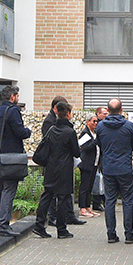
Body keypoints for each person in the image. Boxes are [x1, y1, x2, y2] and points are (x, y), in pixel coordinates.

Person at [33, 100, 81, 239]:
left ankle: (39, 225)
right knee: (63, 199)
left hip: (51, 167)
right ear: (68, 114)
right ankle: (61, 229)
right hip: (64, 169)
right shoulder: (70, 132)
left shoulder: (52, 130)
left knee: (47, 196)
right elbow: (76, 152)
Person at [0, 85, 31, 237]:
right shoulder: (13, 111)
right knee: (9, 189)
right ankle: (3, 224)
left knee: (0, 188)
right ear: (12, 97)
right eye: (17, 96)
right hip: (11, 158)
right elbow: (20, 132)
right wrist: (28, 131)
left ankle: (0, 221)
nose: (18, 98)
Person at [95, 99, 133, 244]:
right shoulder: (128, 126)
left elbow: (99, 143)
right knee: (127, 201)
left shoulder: (101, 126)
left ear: (108, 111)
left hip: (108, 168)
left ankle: (111, 234)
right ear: (121, 110)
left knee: (109, 201)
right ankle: (129, 234)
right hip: (125, 167)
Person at [43, 95, 85, 228]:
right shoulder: (53, 124)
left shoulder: (56, 126)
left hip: (56, 164)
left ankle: (65, 217)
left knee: (55, 195)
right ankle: (57, 223)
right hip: (60, 165)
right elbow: (74, 151)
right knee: (58, 196)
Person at [77, 114, 100, 218]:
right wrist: (94, 142)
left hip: (94, 163)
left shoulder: (95, 133)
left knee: (90, 186)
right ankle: (82, 208)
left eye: (96, 121)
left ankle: (87, 206)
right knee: (84, 186)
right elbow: (83, 147)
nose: (95, 123)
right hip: (86, 163)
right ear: (88, 122)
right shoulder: (85, 133)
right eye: (93, 121)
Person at [91, 106, 109, 212]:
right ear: (98, 114)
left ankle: (102, 202)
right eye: (104, 114)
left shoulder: (104, 125)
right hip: (98, 157)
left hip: (102, 156)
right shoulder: (98, 126)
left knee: (101, 180)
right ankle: (97, 202)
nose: (106, 115)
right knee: (98, 180)